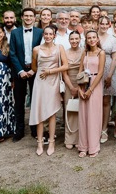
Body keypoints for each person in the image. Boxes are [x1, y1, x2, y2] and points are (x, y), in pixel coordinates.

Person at [29, 25, 69, 156]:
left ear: (54, 35)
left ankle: (51, 141)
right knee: (39, 112)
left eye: (50, 34)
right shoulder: (36, 49)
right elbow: (34, 67)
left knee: (52, 112)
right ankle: (40, 142)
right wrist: (37, 72)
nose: (48, 36)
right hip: (40, 82)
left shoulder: (59, 48)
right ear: (43, 35)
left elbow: (65, 65)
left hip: (53, 81)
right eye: (46, 34)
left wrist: (51, 71)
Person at [8, 8, 43, 142]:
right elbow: (12, 53)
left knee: (35, 101)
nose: (28, 18)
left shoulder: (40, 32)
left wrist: (34, 69)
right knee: (19, 101)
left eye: (31, 16)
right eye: (26, 16)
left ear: (35, 18)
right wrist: (20, 71)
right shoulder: (15, 33)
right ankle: (19, 130)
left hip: (35, 71)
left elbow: (43, 52)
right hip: (20, 71)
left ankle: (35, 129)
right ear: (22, 17)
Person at [77, 30, 105, 158]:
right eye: (89, 38)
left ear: (97, 39)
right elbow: (80, 71)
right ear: (86, 40)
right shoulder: (85, 53)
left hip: (95, 84)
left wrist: (90, 90)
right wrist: (80, 88)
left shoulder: (101, 53)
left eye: (94, 37)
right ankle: (83, 146)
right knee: (83, 116)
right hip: (83, 83)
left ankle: (93, 146)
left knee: (93, 116)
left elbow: (100, 73)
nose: (92, 39)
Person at [97, 16, 116, 143]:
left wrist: (109, 75)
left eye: (106, 24)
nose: (104, 26)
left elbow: (115, 57)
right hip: (95, 70)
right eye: (102, 24)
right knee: (95, 101)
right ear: (98, 24)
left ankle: (104, 128)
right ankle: (96, 127)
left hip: (108, 70)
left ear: (109, 25)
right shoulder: (94, 36)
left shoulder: (113, 39)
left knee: (105, 101)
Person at [62, 30, 83, 149]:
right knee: (69, 109)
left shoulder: (84, 51)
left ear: (80, 39)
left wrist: (79, 86)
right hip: (68, 82)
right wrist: (71, 87)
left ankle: (81, 138)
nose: (74, 41)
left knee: (81, 110)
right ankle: (69, 138)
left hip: (82, 82)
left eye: (76, 39)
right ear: (69, 40)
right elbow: (64, 73)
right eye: (72, 39)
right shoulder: (64, 52)